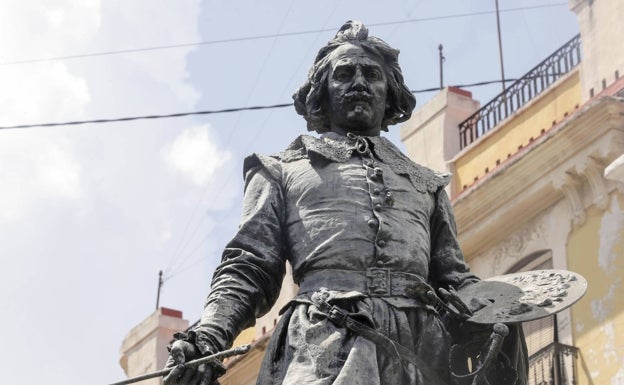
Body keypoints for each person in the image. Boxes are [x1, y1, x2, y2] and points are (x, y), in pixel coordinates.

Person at [164, 20, 527, 385]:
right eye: (344, 74)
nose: (359, 84)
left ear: (390, 92)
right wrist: (209, 335)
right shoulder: (280, 170)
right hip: (321, 343)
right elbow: (249, 267)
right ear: (322, 91)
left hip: (419, 354)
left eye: (372, 74)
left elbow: (452, 280)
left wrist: (492, 306)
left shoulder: (425, 184)